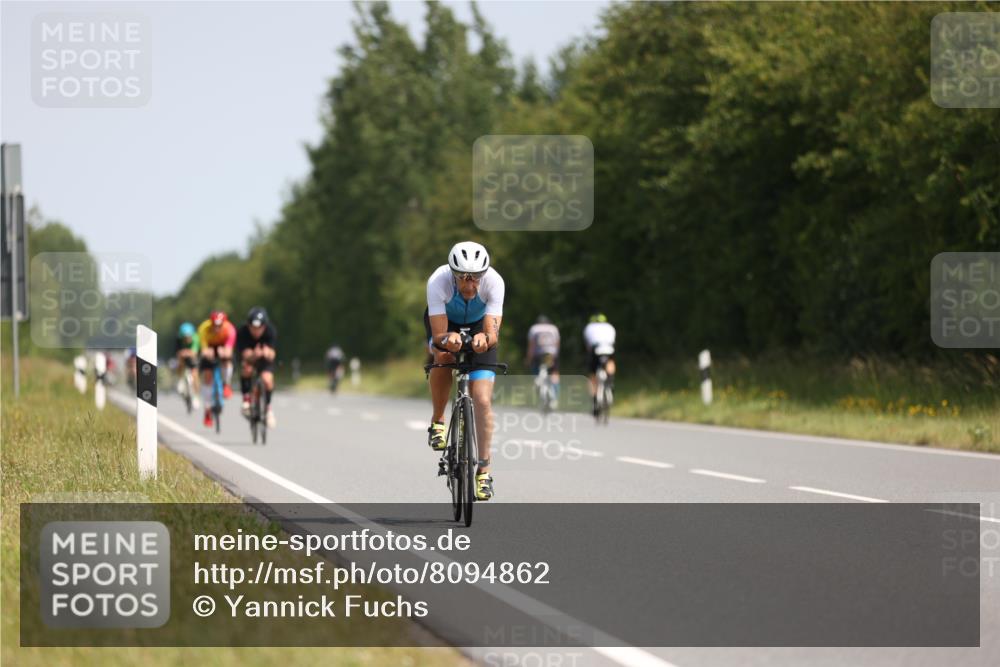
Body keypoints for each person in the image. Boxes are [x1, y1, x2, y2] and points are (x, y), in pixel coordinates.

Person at [425, 241, 504, 501]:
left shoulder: (494, 282)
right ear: (452, 274)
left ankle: (484, 470)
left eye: (476, 279)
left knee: (482, 400)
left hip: (480, 325)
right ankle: (438, 420)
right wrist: (448, 339)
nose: (470, 286)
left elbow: (493, 333)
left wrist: (485, 339)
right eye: (463, 279)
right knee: (443, 357)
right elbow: (438, 336)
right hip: (447, 324)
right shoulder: (438, 281)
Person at [236, 306, 278, 428]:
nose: (256, 331)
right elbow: (244, 353)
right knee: (246, 369)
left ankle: (268, 409)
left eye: (259, 328)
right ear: (248, 326)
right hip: (249, 358)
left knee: (267, 380)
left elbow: (273, 354)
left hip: (264, 360)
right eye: (253, 328)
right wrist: (254, 355)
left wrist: (267, 353)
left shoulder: (270, 331)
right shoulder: (242, 332)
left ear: (264, 326)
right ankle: (246, 400)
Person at [197, 310, 237, 428]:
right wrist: (206, 353)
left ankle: (226, 383)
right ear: (211, 322)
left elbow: (229, 349)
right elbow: (204, 349)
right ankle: (207, 409)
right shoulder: (204, 328)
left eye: (219, 325)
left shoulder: (230, 329)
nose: (217, 327)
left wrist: (225, 353)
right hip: (209, 347)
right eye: (214, 325)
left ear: (224, 323)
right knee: (207, 376)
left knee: (227, 362)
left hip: (223, 346)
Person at [583, 313, 617, 415]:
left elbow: (587, 344)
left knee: (592, 376)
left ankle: (594, 401)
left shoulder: (589, 327)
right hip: (609, 348)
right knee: (610, 362)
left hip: (596, 349)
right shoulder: (610, 327)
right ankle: (610, 380)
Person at [525, 315, 561, 408]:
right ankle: (555, 398)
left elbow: (532, 346)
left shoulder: (534, 329)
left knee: (536, 371)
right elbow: (557, 344)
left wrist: (529, 358)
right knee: (554, 374)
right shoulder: (553, 328)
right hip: (551, 354)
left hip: (538, 354)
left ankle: (537, 381)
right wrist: (556, 356)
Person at [175, 322, 201, 408]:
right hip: (183, 356)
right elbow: (178, 352)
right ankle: (180, 379)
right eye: (185, 337)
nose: (187, 339)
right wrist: (182, 354)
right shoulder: (178, 338)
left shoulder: (196, 338)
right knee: (180, 361)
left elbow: (194, 352)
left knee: (195, 373)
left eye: (189, 336)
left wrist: (187, 353)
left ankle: (196, 396)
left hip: (192, 357)